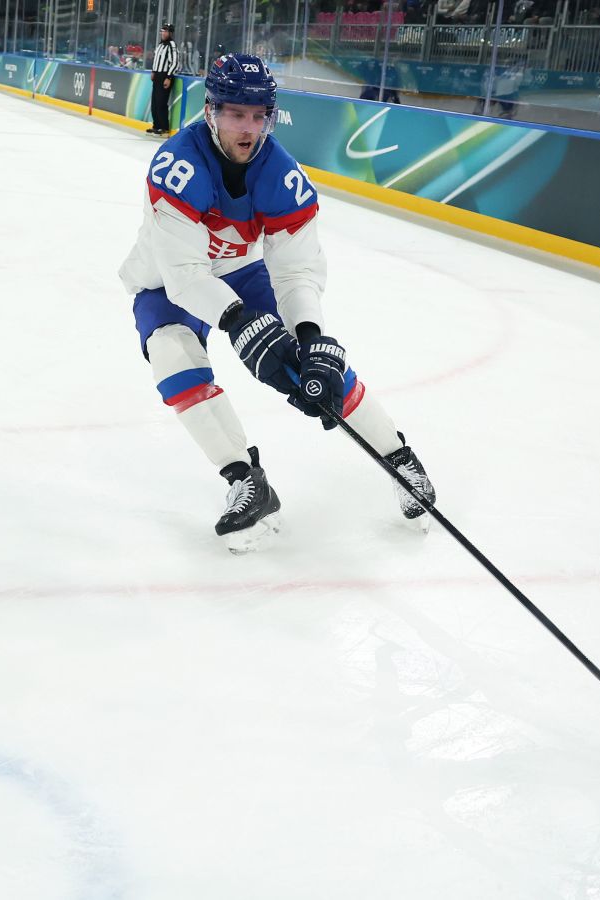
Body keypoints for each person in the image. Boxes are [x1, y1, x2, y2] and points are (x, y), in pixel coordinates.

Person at [117, 54, 437, 553]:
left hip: (243, 272)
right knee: (172, 356)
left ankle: (400, 460)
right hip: (165, 278)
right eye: (235, 114)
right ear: (211, 111)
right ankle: (247, 481)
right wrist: (238, 321)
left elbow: (296, 271)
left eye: (258, 115)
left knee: (314, 369)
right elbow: (184, 275)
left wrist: (309, 334)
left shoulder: (284, 176)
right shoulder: (177, 165)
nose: (248, 128)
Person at [148, 22, 177, 135]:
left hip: (165, 75)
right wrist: (153, 71)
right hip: (157, 76)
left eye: (166, 31)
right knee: (154, 103)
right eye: (162, 31)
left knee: (161, 103)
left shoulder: (171, 45)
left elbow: (174, 62)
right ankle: (156, 125)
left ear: (170, 33)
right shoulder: (160, 45)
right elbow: (156, 60)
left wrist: (168, 77)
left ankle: (164, 128)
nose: (163, 33)